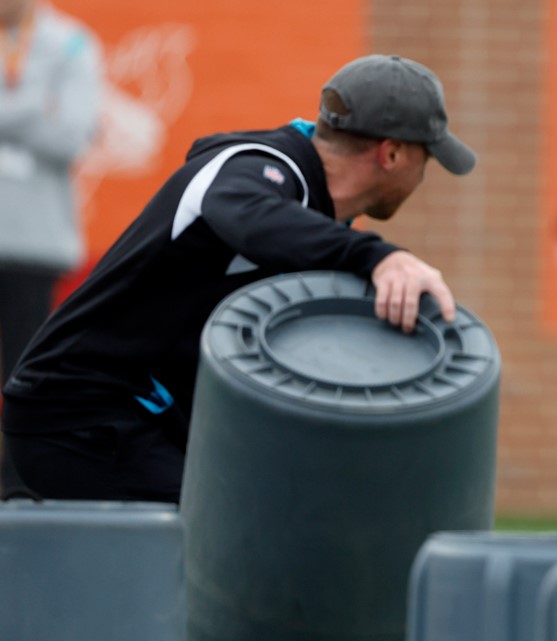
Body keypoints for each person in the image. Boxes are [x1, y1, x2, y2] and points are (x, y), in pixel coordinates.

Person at [0, 54, 475, 503]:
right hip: (78, 418)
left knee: (271, 520)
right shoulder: (254, 169)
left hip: (138, 421)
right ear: (391, 154)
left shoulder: (314, 222)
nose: (425, 175)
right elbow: (246, 213)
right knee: (241, 538)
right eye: (426, 158)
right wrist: (381, 258)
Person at [0, 0, 102, 491]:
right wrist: (34, 104)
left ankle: (20, 481)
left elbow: (72, 134)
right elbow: (49, 121)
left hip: (34, 240)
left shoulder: (71, 42)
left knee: (25, 368)